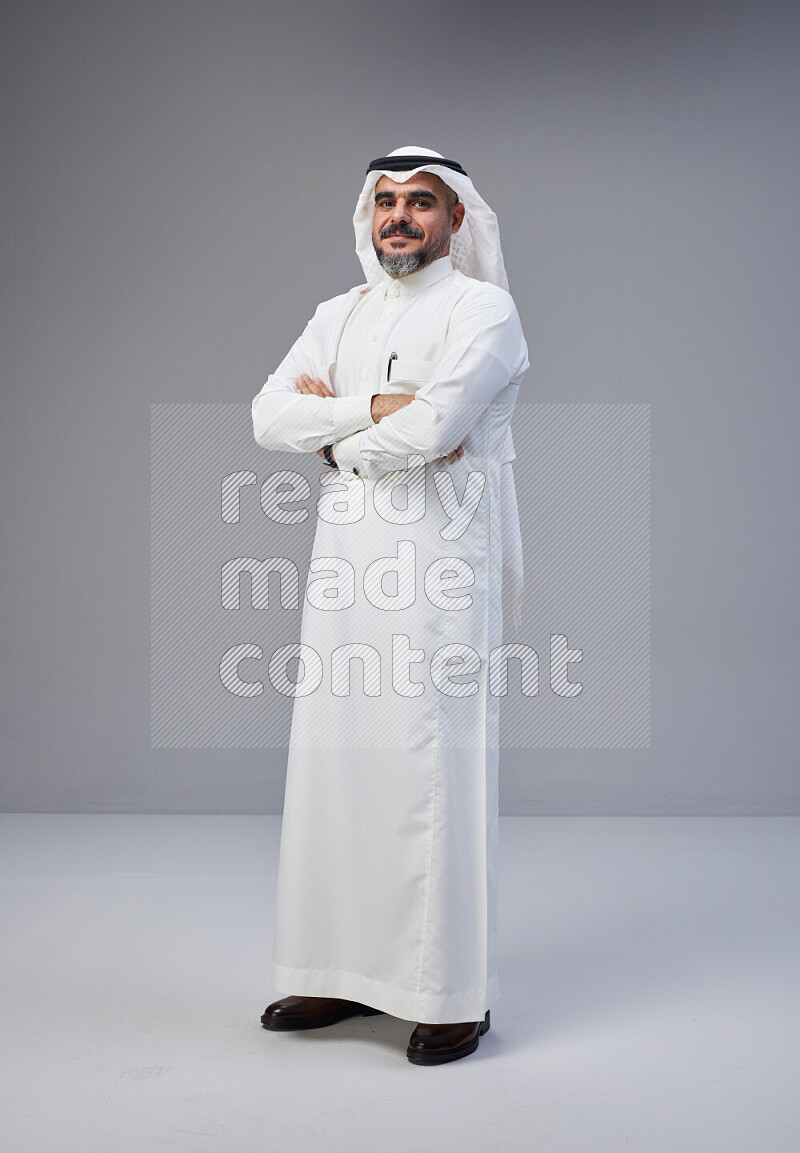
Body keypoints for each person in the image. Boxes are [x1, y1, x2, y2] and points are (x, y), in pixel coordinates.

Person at [251, 145, 528, 1065]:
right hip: (346, 568)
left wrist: (337, 438)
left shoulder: (483, 309)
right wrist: (377, 408)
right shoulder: (338, 313)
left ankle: (450, 992)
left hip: (444, 566)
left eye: (421, 203)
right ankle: (334, 970)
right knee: (336, 756)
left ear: (456, 220)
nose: (399, 218)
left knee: (431, 765)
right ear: (368, 218)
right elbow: (266, 414)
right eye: (386, 203)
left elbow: (442, 425)